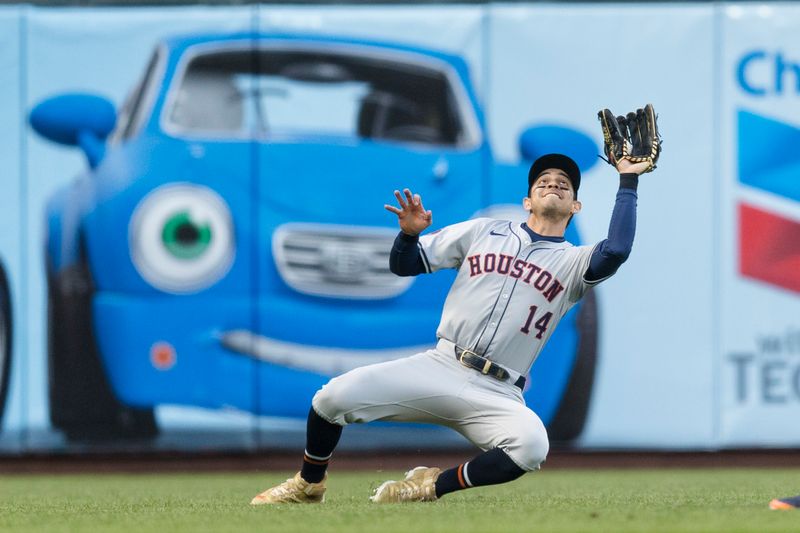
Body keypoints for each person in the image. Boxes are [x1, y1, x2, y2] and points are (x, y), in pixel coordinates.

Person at [250, 151, 652, 505]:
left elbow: (616, 249)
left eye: (563, 184)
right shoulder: (484, 231)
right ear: (527, 200)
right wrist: (408, 236)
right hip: (441, 364)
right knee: (330, 400)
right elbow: (404, 265)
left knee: (531, 447)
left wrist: (627, 180)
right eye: (543, 181)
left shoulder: (575, 263)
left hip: (498, 390)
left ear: (576, 206)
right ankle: (308, 484)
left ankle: (430, 486)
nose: (553, 184)